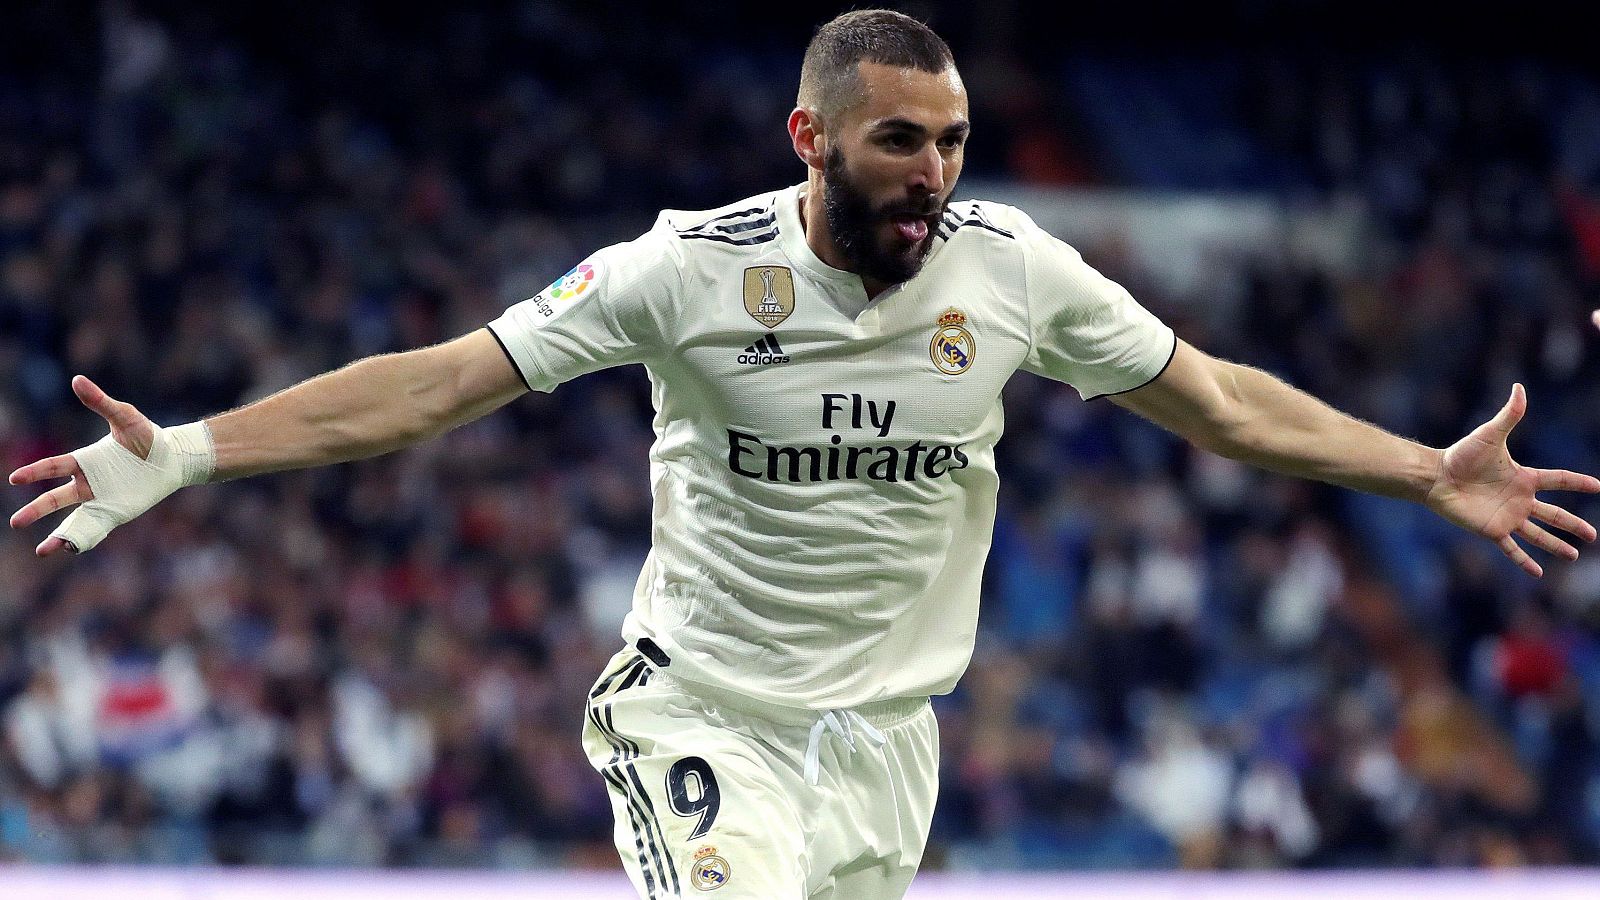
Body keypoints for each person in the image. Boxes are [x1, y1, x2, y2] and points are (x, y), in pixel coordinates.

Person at [9, 9, 1599, 898]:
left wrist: (1421, 471)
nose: (933, 172)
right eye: (900, 139)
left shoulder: (1016, 274)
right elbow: (438, 385)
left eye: (955, 141)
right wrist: (199, 451)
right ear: (812, 139)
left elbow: (1227, 402)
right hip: (706, 714)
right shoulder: (682, 271)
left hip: (887, 748)